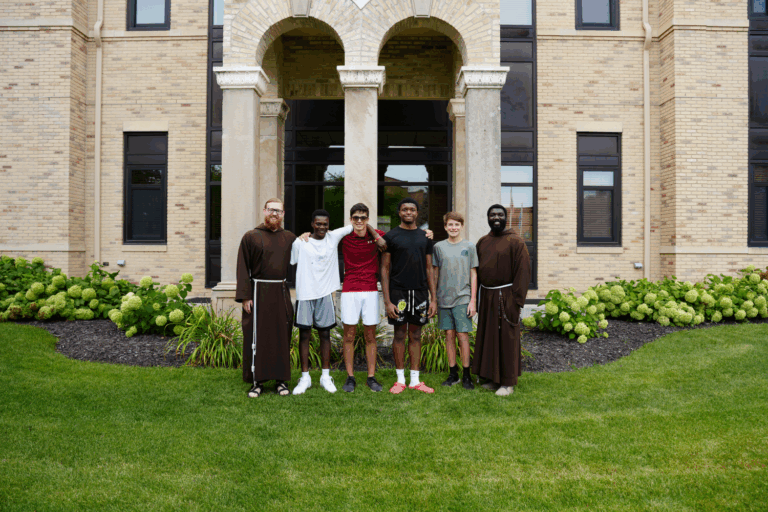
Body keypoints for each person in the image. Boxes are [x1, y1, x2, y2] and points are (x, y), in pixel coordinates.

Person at [290, 209, 357, 395]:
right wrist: (301, 236)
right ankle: (305, 378)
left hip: (325, 293)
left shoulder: (333, 237)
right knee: (304, 335)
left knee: (325, 334)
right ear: (312, 224)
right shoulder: (300, 242)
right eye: (318, 223)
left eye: (325, 224)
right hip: (305, 294)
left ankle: (325, 377)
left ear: (329, 225)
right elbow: (292, 261)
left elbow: (356, 225)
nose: (322, 227)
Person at [236, 198, 296, 398]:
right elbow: (243, 267)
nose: (274, 214)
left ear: (283, 214)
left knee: (281, 336)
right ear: (264, 211)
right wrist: (245, 296)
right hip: (257, 292)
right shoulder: (251, 236)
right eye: (271, 210)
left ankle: (281, 381)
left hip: (280, 291)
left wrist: (306, 236)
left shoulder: (289, 238)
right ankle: (257, 381)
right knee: (256, 336)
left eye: (278, 211)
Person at [473, 204, 531, 396]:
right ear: (488, 218)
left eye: (500, 214)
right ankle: (492, 378)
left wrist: (516, 301)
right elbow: (476, 272)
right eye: (492, 215)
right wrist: (475, 299)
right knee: (490, 338)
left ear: (506, 217)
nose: (496, 217)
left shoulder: (516, 241)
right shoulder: (483, 242)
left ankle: (507, 383)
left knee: (506, 339)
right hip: (487, 296)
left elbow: (523, 272)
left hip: (507, 297)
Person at [381, 198, 438, 394]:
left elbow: (429, 268)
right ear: (399, 212)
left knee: (416, 335)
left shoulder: (425, 237)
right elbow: (384, 269)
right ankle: (400, 380)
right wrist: (387, 301)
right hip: (398, 293)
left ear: (417, 213)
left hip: (420, 293)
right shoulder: (391, 237)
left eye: (412, 209)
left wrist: (433, 299)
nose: (408, 212)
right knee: (399, 335)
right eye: (404, 209)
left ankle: (415, 380)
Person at [339, 203, 387, 393]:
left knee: (370, 336)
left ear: (368, 219)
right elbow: (322, 237)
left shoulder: (377, 236)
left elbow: (396, 241)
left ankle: (371, 377)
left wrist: (426, 233)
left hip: (370, 290)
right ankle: (350, 377)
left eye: (363, 217)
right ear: (351, 219)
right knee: (349, 335)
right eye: (356, 218)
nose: (359, 221)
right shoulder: (344, 236)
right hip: (349, 290)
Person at [432, 212, 478, 390]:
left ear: (461, 226)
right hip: (444, 298)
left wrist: (473, 300)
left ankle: (466, 375)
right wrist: (433, 299)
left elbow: (473, 274)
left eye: (457, 225)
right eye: (450, 225)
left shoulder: (469, 247)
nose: (453, 228)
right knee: (449, 336)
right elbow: (435, 273)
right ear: (445, 227)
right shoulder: (439, 247)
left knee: (462, 336)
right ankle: (453, 374)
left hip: (462, 298)